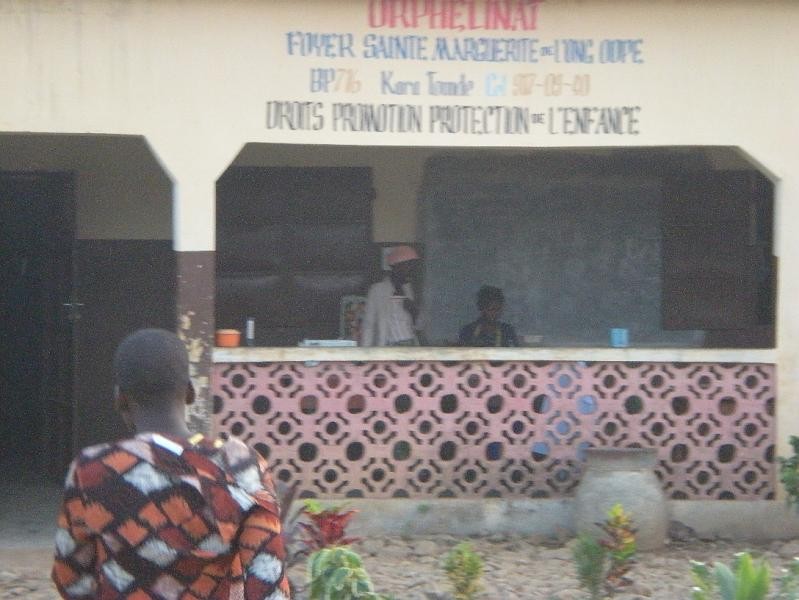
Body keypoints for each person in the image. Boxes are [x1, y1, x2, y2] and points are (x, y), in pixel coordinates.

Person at [51, 328, 290, 600]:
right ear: (190, 392)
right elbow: (268, 584)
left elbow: (70, 579)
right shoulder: (242, 466)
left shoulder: (92, 471)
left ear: (119, 398)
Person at [360, 245, 422, 346]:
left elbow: (418, 326)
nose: (411, 271)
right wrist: (365, 355)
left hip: (410, 346)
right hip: (388, 347)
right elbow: (369, 325)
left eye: (413, 267)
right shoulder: (377, 290)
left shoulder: (409, 289)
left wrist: (414, 312)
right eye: (407, 266)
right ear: (395, 267)